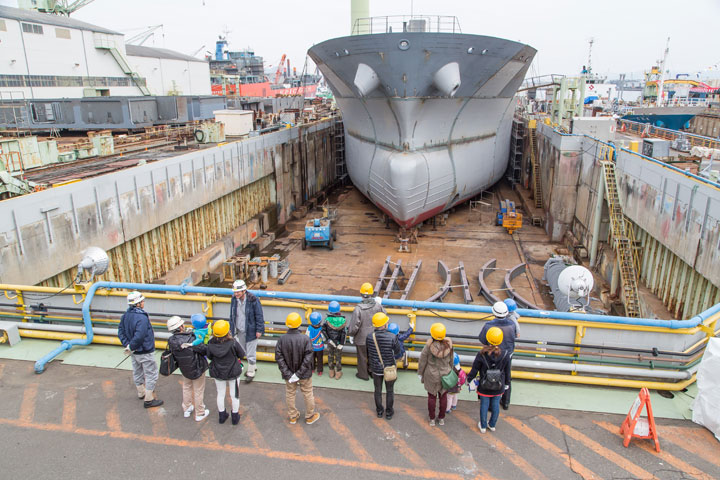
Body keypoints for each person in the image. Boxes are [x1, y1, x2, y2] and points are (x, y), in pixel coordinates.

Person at [189, 320, 245, 425]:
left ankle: (222, 416)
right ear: (227, 331)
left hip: (218, 372)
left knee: (220, 394)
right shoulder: (233, 343)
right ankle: (235, 417)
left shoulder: (211, 343)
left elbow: (209, 356)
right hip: (233, 372)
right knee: (235, 395)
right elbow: (241, 354)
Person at [118, 291, 163, 408]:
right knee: (151, 374)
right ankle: (149, 399)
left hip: (134, 352)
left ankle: (141, 392)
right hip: (145, 351)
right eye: (142, 301)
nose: (143, 303)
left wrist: (128, 346)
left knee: (137, 371)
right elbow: (140, 335)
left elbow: (121, 332)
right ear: (138, 304)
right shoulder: (141, 318)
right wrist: (132, 346)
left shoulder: (125, 316)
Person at [275, 312, 320, 425]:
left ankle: (293, 416)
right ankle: (310, 416)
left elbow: (279, 358)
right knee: (308, 393)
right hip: (304, 374)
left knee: (290, 393)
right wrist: (299, 374)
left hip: (289, 374)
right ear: (299, 324)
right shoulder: (305, 339)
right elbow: (308, 357)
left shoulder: (282, 339)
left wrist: (288, 373)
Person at [467, 327, 510, 433]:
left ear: (487, 339)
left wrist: (469, 380)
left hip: (484, 385)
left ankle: (482, 426)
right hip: (499, 385)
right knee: (495, 404)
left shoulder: (481, 354)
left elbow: (474, 369)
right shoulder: (505, 354)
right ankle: (492, 424)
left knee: (484, 405)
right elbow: (507, 371)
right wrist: (507, 383)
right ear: (501, 340)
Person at [166, 316, 209, 421]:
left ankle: (187, 408)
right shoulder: (191, 338)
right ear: (181, 327)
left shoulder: (171, 340)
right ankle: (200, 413)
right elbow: (203, 349)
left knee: (186, 387)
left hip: (184, 368)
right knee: (198, 390)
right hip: (197, 367)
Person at [479, 302, 517, 410]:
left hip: (491, 355)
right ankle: (505, 402)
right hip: (507, 356)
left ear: (493, 312)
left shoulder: (488, 326)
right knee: (506, 377)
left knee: (490, 376)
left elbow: (482, 339)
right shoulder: (512, 325)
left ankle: (490, 404)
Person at [366, 312, 402, 420]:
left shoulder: (369, 337)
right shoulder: (392, 336)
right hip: (389, 368)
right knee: (389, 390)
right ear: (384, 324)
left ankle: (379, 411)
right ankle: (389, 412)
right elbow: (397, 352)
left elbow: (368, 352)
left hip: (376, 369)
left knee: (377, 390)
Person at [418, 322, 454, 426]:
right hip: (445, 374)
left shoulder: (428, 347)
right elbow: (451, 361)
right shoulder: (449, 346)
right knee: (443, 396)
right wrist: (450, 370)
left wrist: (420, 373)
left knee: (431, 396)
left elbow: (422, 360)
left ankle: (432, 419)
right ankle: (441, 418)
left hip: (431, 375)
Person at [229, 279, 265, 382]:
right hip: (239, 329)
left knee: (250, 352)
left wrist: (259, 330)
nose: (236, 294)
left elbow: (259, 315)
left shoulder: (253, 300)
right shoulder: (234, 299)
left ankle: (251, 372)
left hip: (251, 330)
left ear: (244, 291)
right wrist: (232, 328)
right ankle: (253, 366)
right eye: (235, 292)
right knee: (244, 349)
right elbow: (232, 314)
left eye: (238, 292)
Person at [349, 282, 386, 381]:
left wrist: (351, 335)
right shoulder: (377, 306)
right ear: (372, 294)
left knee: (362, 357)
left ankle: (363, 375)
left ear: (361, 294)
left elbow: (354, 326)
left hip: (361, 338)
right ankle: (373, 373)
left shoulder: (358, 309)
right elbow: (384, 317)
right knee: (374, 355)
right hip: (375, 337)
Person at [322, 301, 347, 380]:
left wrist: (328, 340)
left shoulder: (327, 320)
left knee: (330, 356)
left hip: (330, 342)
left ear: (330, 311)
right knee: (338, 357)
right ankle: (338, 373)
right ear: (339, 310)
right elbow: (344, 333)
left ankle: (331, 372)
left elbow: (323, 331)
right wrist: (341, 344)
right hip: (339, 343)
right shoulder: (343, 321)